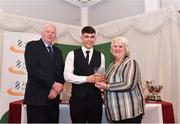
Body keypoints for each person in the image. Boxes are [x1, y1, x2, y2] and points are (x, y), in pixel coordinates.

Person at [95, 36, 145, 123]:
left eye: (120, 46)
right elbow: (108, 83)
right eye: (115, 46)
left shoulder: (130, 62)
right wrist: (102, 82)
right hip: (115, 114)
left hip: (129, 113)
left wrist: (107, 86)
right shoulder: (112, 65)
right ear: (111, 49)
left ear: (126, 49)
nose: (117, 49)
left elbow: (128, 84)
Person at [23, 24, 65, 123]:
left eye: (53, 33)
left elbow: (61, 72)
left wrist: (56, 90)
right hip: (36, 100)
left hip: (54, 100)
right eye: (47, 31)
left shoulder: (58, 51)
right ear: (41, 33)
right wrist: (53, 84)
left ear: (55, 36)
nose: (50, 34)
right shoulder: (32, 46)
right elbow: (33, 69)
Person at [64, 26, 105, 123]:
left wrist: (101, 81)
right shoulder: (72, 54)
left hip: (95, 100)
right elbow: (67, 76)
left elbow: (99, 77)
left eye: (92, 37)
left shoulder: (101, 56)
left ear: (95, 39)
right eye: (86, 37)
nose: (89, 39)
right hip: (77, 100)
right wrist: (86, 79)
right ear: (81, 38)